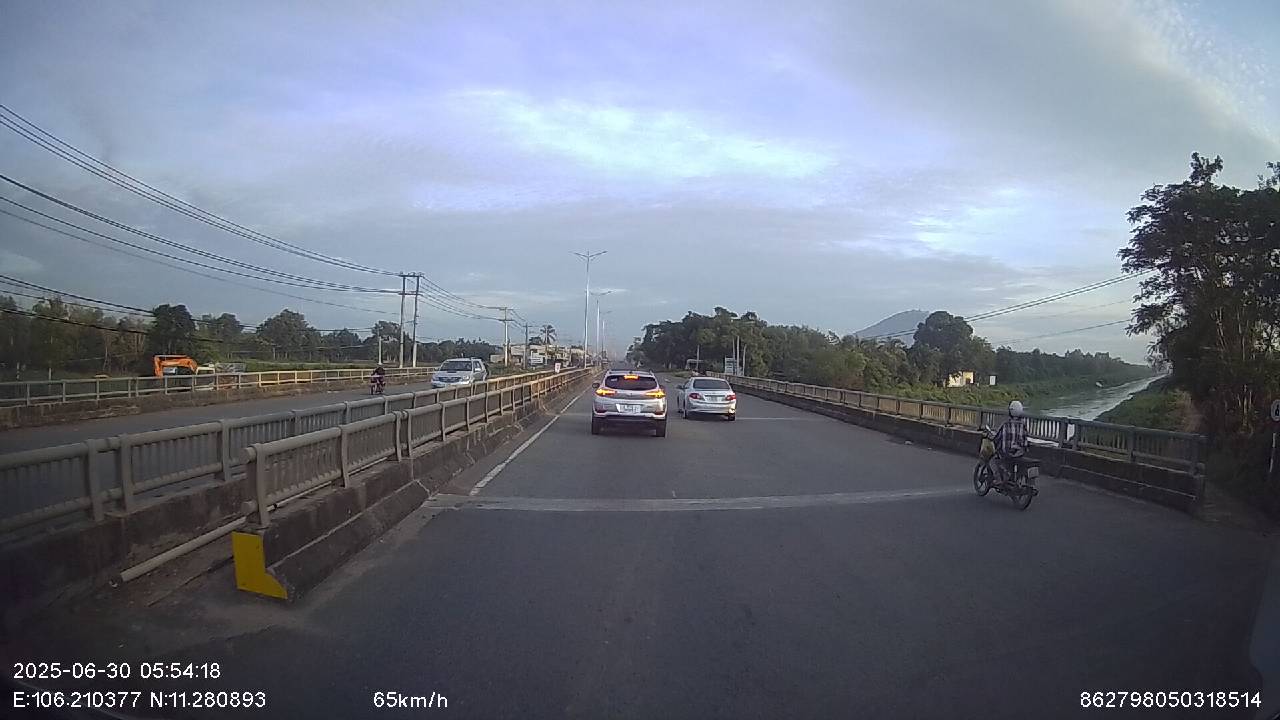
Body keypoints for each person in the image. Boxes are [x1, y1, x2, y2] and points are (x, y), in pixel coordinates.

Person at [992, 400, 1028, 483]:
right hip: (1019, 453)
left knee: (995, 460)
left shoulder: (1006, 424)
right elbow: (1025, 440)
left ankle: (998, 480)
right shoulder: (1023, 424)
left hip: (1007, 453)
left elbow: (998, 438)